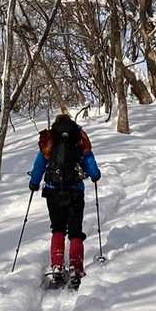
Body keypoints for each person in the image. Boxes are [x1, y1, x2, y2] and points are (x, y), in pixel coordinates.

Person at [29, 112, 100, 287]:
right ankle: (76, 267)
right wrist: (95, 175)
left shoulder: (51, 138)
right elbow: (89, 160)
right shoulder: (78, 137)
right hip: (75, 190)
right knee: (75, 231)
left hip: (53, 191)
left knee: (58, 228)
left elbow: (40, 163)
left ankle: (57, 266)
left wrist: (34, 182)